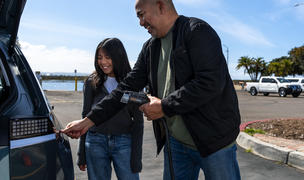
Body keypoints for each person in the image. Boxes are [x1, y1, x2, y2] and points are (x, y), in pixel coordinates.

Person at [62, 0, 241, 179]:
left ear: (161, 6)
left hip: (214, 142)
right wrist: (87, 122)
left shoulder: (197, 31)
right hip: (176, 143)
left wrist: (164, 106)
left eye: (141, 14)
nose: (140, 22)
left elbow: (209, 82)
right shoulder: (150, 47)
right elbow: (124, 89)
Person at [77, 38, 143, 180]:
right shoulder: (91, 82)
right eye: (99, 58)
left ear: (118, 57)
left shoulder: (132, 83)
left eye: (108, 57)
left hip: (124, 142)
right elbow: (85, 116)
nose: (103, 62)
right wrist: (81, 154)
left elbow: (138, 122)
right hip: (95, 142)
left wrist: (136, 158)